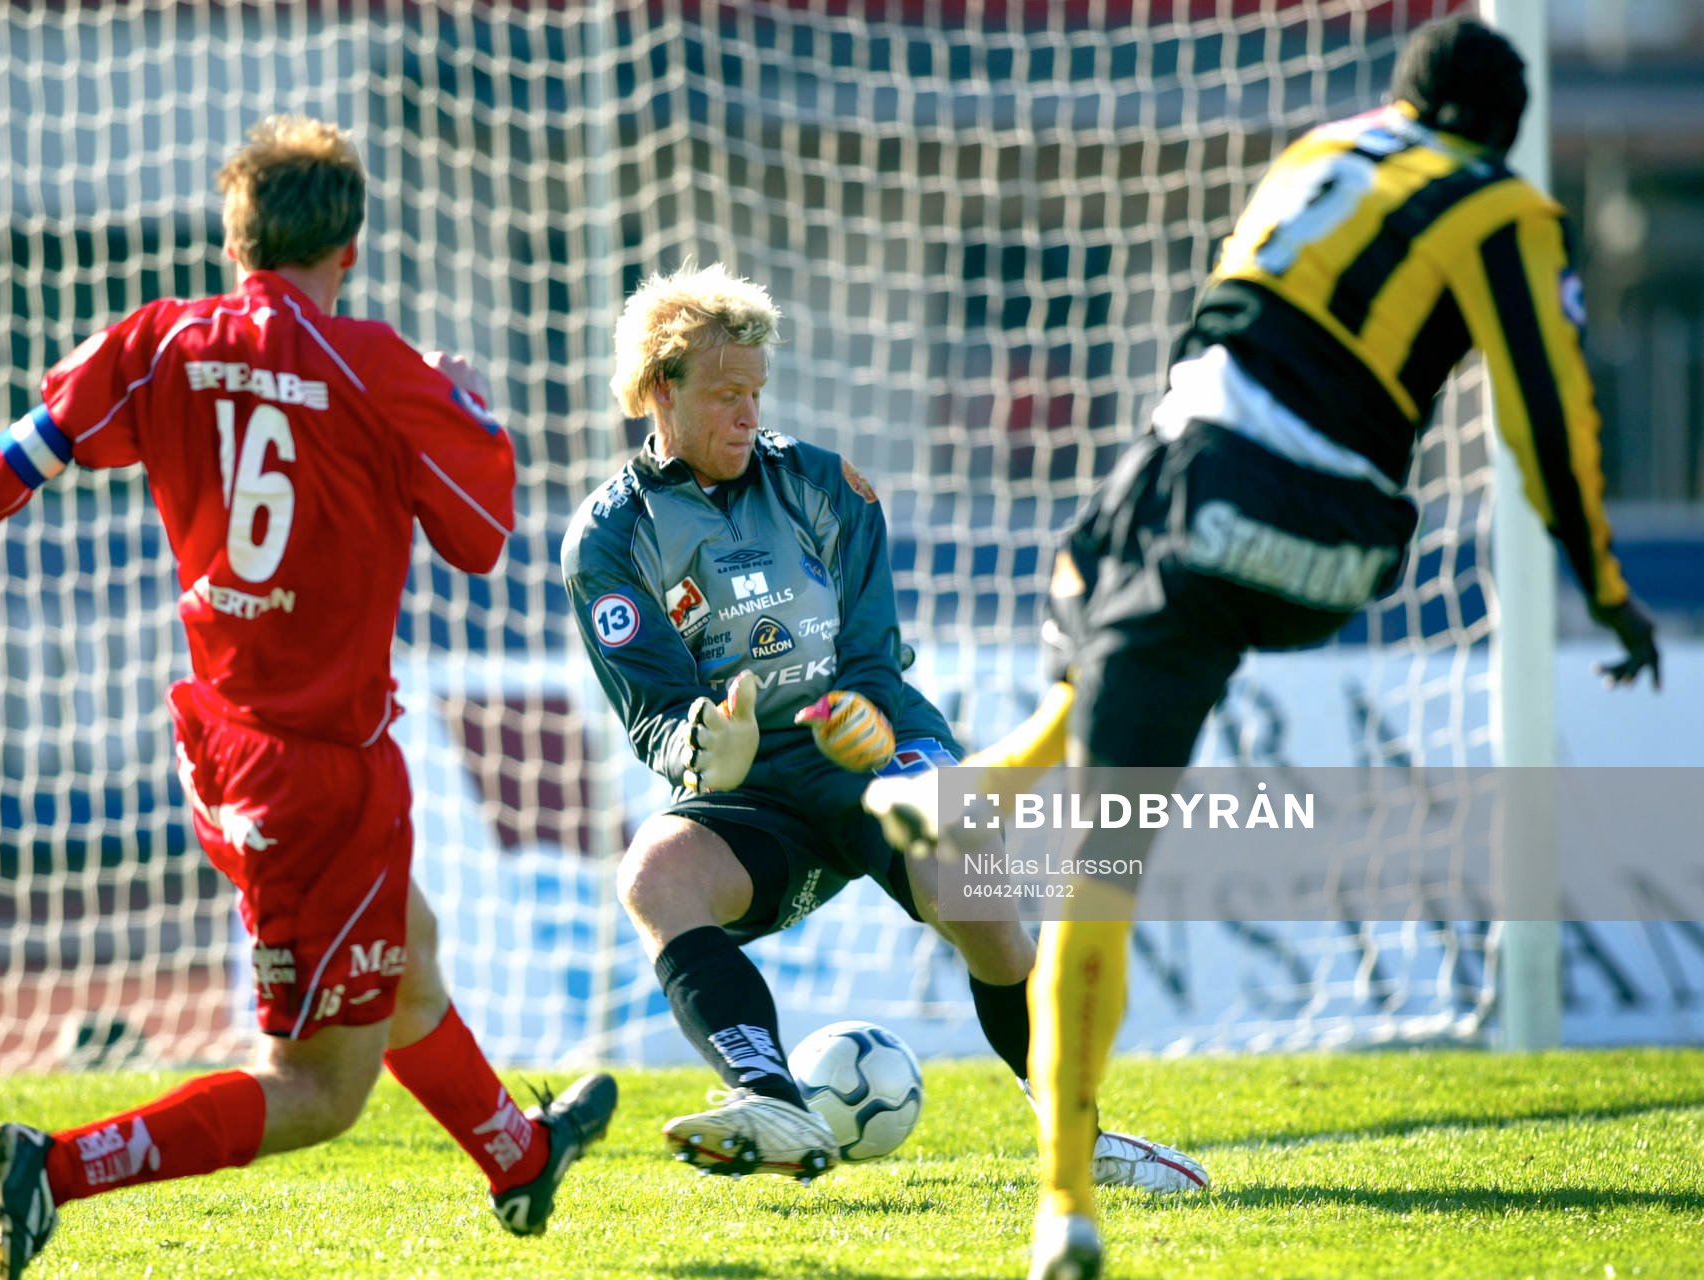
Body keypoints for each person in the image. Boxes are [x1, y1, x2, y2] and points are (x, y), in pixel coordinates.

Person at [865, 16, 1661, 1279]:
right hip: (1331, 542)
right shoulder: (1503, 205)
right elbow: (1546, 414)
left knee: (1100, 834)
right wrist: (1607, 591)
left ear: (1402, 101)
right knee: (1123, 691)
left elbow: (1219, 334)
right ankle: (968, 799)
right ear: (1502, 128)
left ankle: (1063, 1200)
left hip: (1177, 489)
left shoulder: (1316, 150)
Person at [0, 115, 616, 1278]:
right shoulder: (381, 370)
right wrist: (474, 407)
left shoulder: (157, 343)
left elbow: (8, 467)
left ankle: (518, 1153)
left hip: (224, 740)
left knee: (410, 944)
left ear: (232, 235)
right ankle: (49, 1168)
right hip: (327, 772)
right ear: (348, 246)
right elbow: (483, 536)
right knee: (314, 1089)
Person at [561, 261, 1207, 1192]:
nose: (748, 415)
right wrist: (708, 749)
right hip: (752, 790)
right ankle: (771, 1100)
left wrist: (856, 720)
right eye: (724, 395)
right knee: (654, 876)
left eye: (756, 393)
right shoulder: (610, 538)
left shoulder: (828, 487)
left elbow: (872, 657)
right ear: (659, 387)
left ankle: (1082, 1136)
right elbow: (655, 714)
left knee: (967, 880)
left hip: (873, 751)